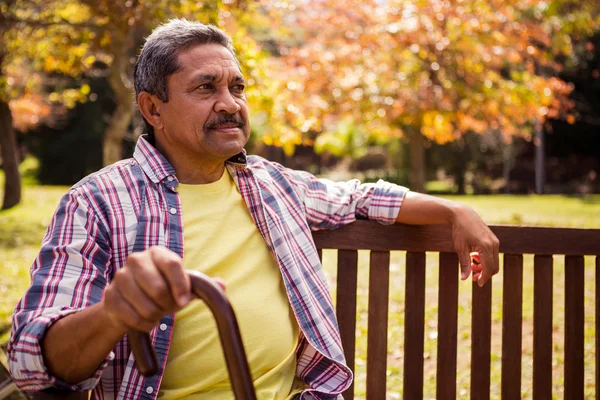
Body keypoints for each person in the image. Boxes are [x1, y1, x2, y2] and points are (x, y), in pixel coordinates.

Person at [8, 19, 499, 400]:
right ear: (152, 109)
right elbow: (32, 362)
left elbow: (359, 196)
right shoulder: (96, 200)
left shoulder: (271, 184)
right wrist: (112, 312)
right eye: (206, 88)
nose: (230, 104)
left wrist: (456, 212)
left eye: (237, 88)